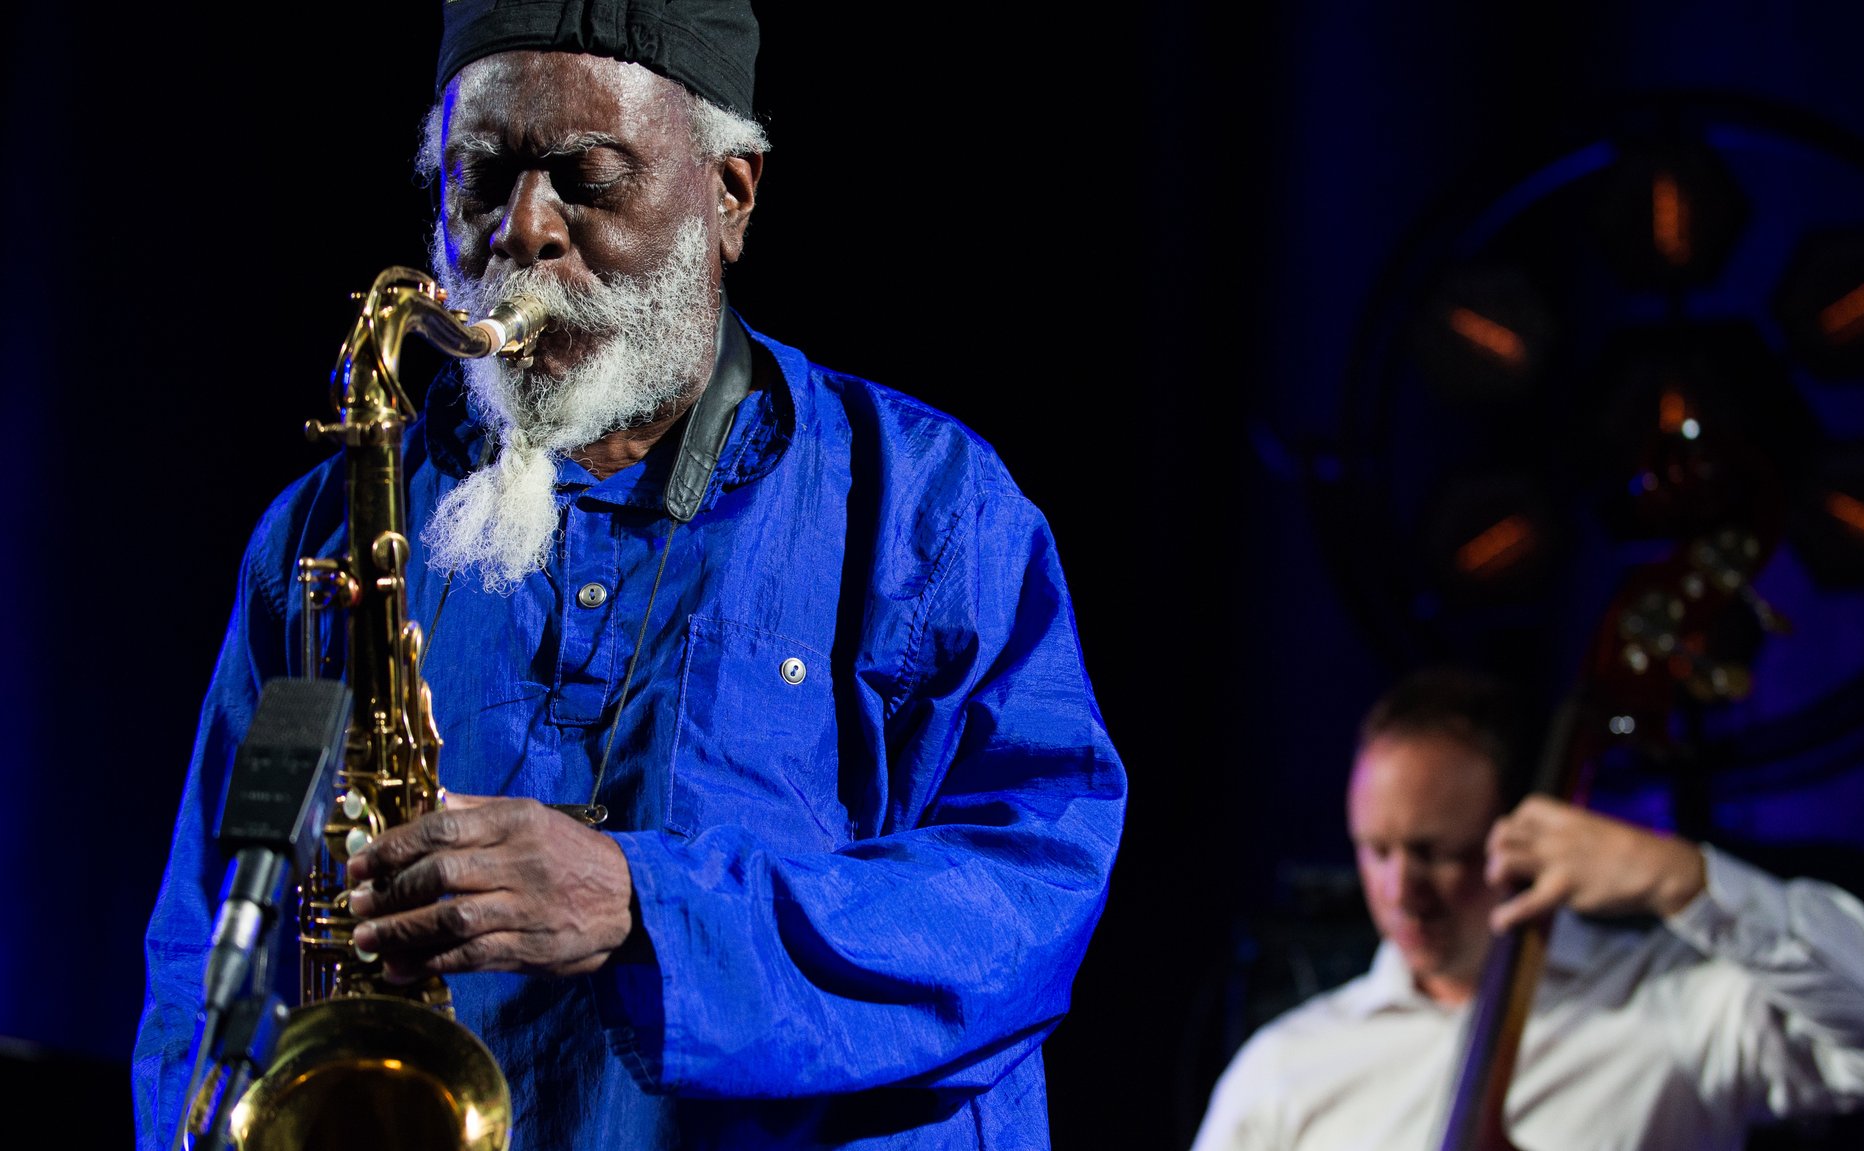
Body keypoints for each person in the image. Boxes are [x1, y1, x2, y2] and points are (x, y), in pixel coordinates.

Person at [131, 3, 1126, 1148]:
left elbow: (1029, 886)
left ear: (731, 195)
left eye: (587, 179)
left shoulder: (929, 506)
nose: (522, 231)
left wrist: (643, 904)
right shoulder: (328, 531)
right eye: (478, 177)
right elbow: (210, 956)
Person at [1189, 665, 1864, 1151]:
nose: (1400, 889)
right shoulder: (1285, 1065)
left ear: (1524, 829)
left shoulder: (1671, 1009)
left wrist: (1687, 880)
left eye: (1435, 850)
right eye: (1377, 849)